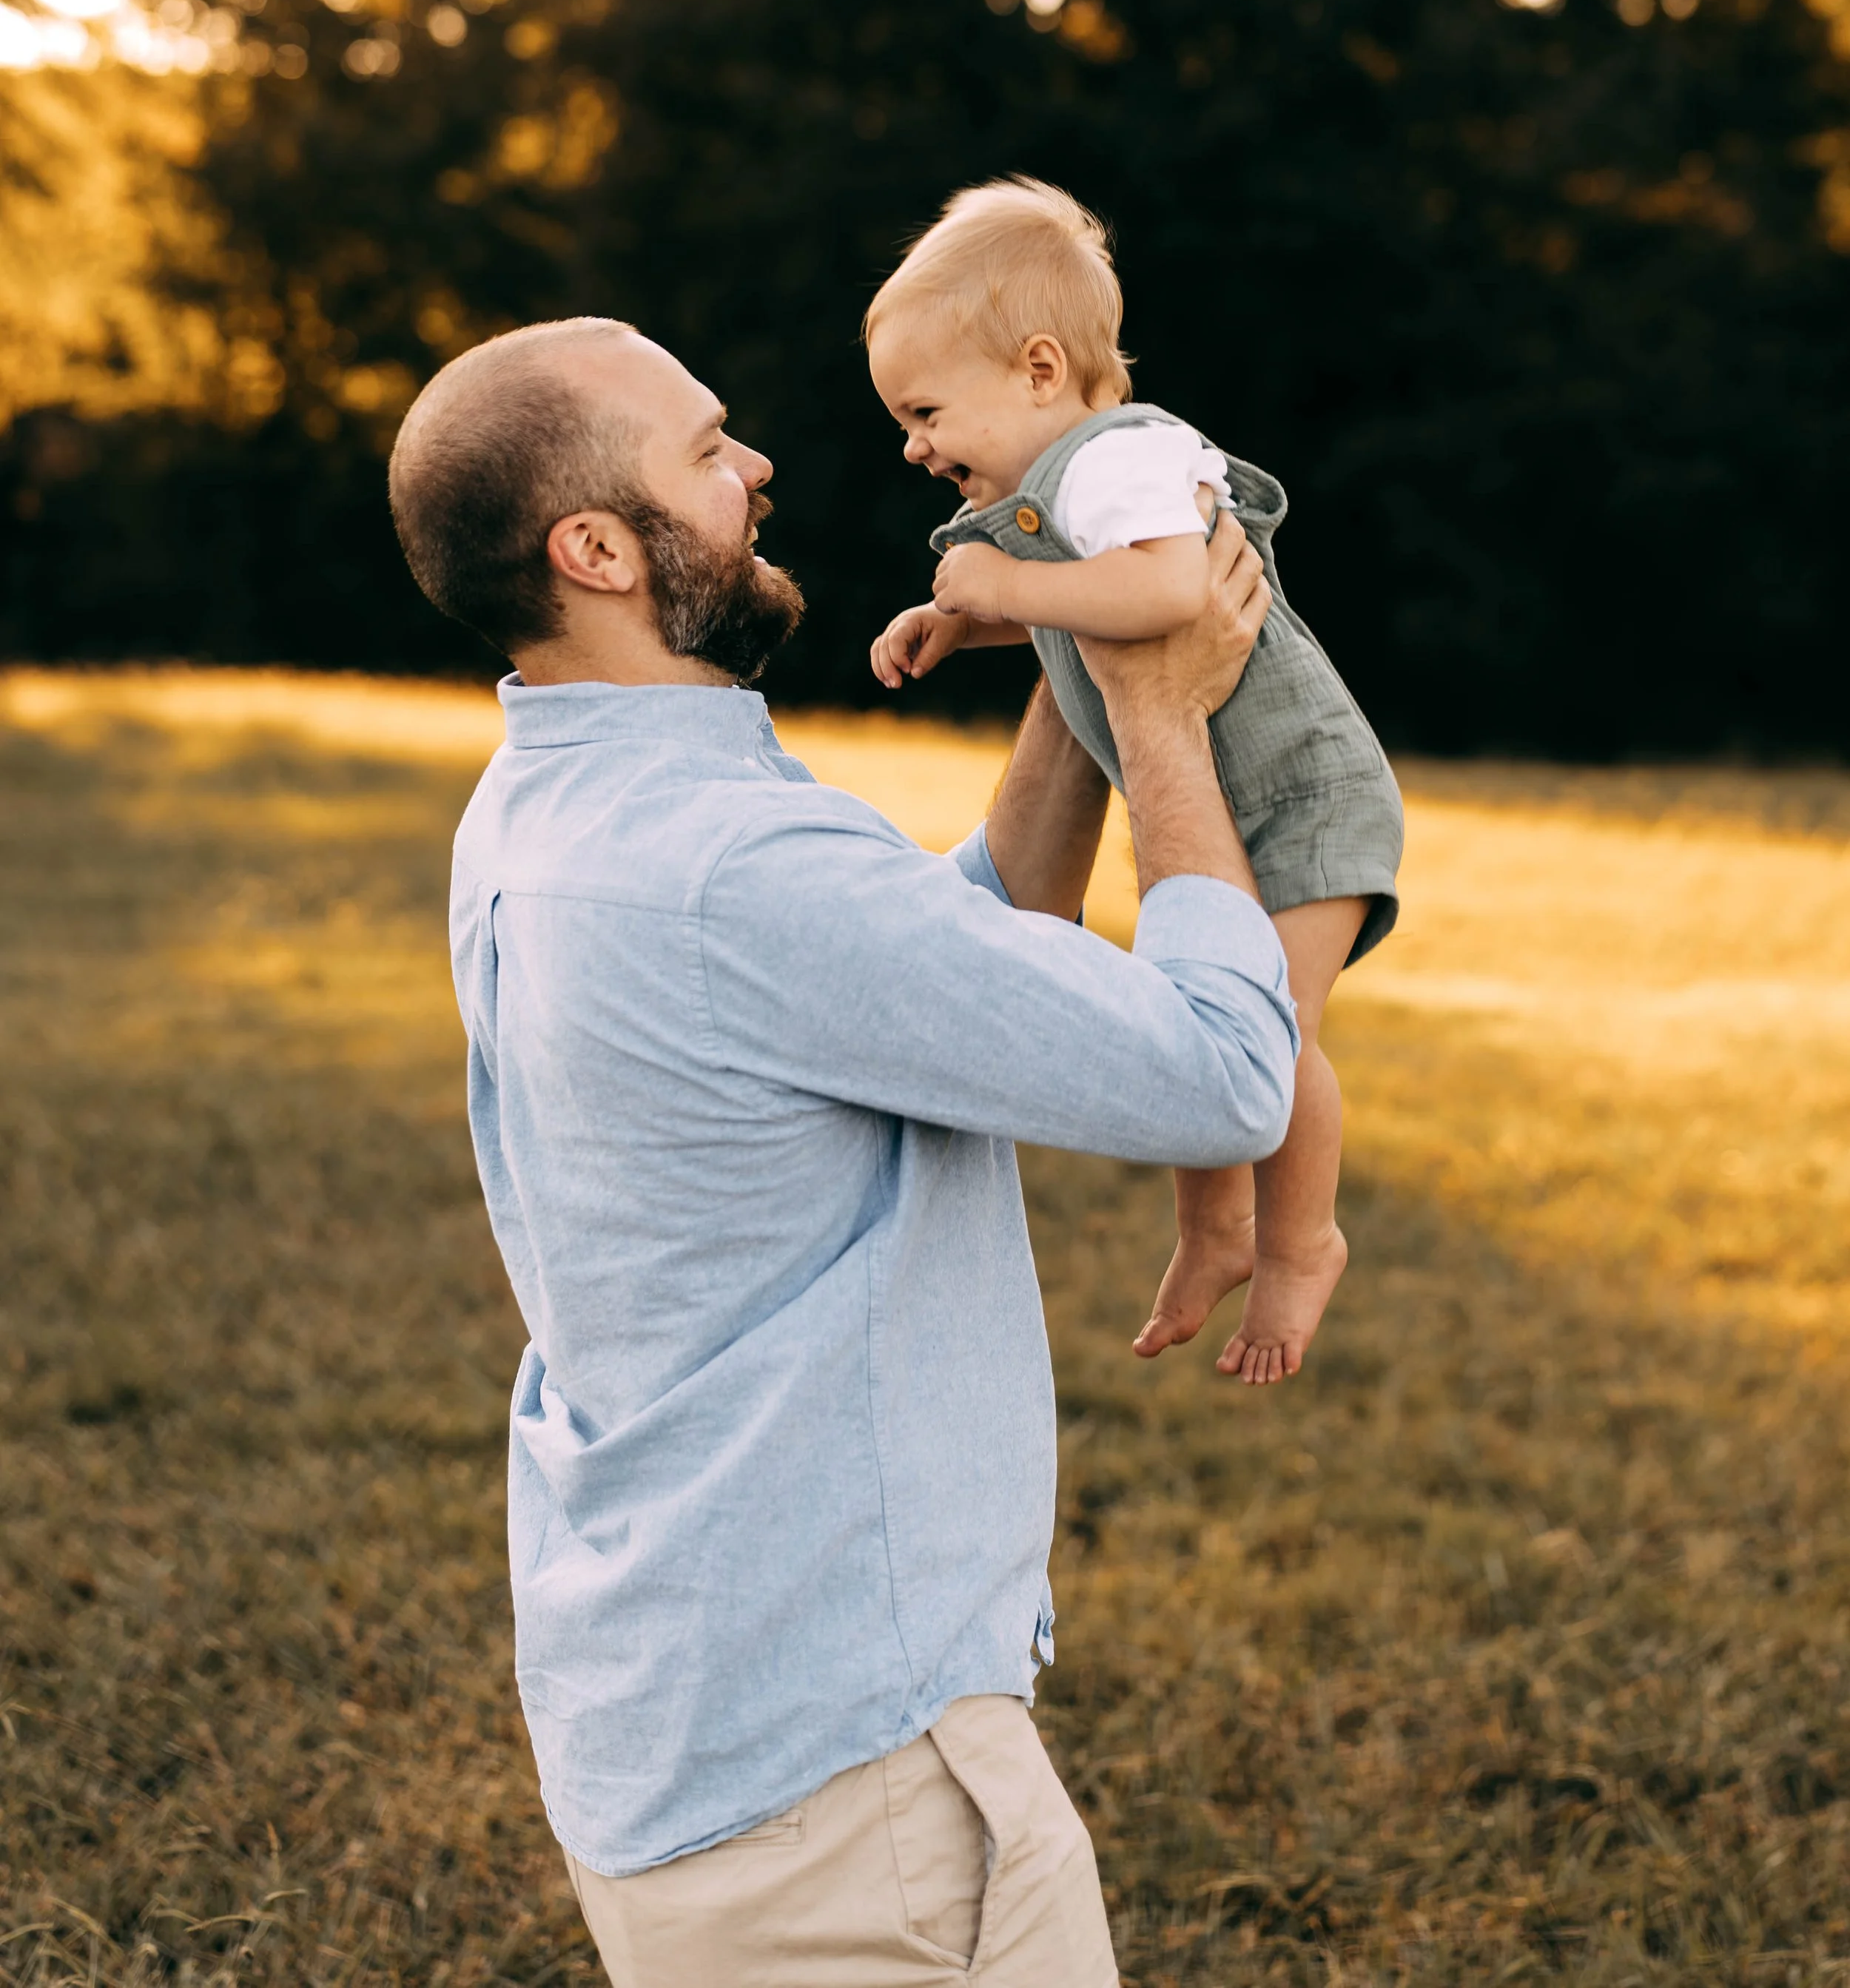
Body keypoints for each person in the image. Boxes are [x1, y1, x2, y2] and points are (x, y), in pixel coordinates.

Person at [387, 314, 1299, 1988]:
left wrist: (1080, 663)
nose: (756, 470)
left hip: (701, 1708)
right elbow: (1221, 1076)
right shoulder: (727, 867)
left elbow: (934, 965)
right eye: (705, 448)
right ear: (594, 549)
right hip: (844, 1794)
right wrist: (1167, 724)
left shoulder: (550, 810)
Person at [867, 178, 1404, 1387]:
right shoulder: (1070, 488)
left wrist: (1000, 589)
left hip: (1302, 795)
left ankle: (1303, 1238)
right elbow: (1095, 608)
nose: (913, 445)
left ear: (1040, 368)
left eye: (926, 409)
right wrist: (965, 624)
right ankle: (1217, 1227)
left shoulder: (1121, 462)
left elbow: (1163, 595)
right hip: (1242, 796)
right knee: (1196, 1008)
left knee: (1272, 1027)